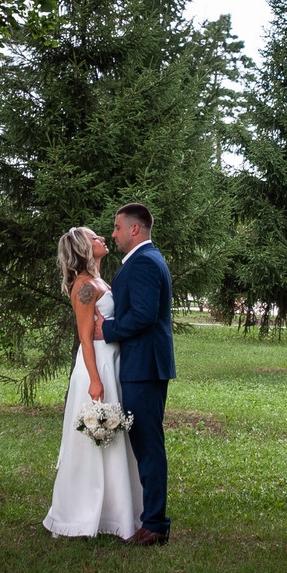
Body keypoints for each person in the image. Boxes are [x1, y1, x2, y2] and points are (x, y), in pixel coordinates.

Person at [42, 226, 143, 540]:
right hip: (96, 365)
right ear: (85, 247)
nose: (102, 238)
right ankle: (79, 513)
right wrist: (95, 381)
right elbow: (85, 338)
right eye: (95, 236)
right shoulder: (84, 286)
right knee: (96, 437)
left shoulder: (100, 280)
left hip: (112, 361)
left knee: (115, 438)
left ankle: (115, 511)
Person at [97, 202, 174, 546]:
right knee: (145, 442)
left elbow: (143, 315)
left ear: (134, 229)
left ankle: (155, 524)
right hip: (143, 365)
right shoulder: (145, 259)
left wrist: (108, 330)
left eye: (116, 228)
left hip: (144, 367)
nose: (112, 235)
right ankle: (150, 517)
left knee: (148, 444)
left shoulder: (143, 262)